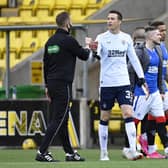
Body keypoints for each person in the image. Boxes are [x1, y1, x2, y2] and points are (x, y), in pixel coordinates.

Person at [35, 11, 95, 162]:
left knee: (63, 119)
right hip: (63, 85)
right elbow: (84, 56)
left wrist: (47, 86)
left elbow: (46, 66)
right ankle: (42, 152)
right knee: (59, 119)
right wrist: (88, 46)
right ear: (68, 24)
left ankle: (69, 153)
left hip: (52, 84)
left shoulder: (50, 42)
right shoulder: (69, 40)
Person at [95, 10, 147, 161]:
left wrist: (141, 77)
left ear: (119, 21)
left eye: (112, 19)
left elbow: (134, 59)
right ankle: (103, 153)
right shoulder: (101, 38)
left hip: (123, 83)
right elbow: (96, 55)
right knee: (105, 116)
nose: (109, 21)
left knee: (128, 113)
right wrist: (93, 50)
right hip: (107, 83)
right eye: (108, 19)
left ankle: (132, 150)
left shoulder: (126, 38)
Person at [128, 26, 168, 158]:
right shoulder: (140, 51)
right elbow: (131, 70)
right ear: (150, 36)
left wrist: (161, 90)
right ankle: (130, 148)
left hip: (155, 92)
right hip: (142, 93)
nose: (160, 36)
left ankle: (156, 150)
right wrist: (133, 89)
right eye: (157, 34)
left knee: (160, 119)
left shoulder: (158, 50)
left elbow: (160, 73)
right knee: (134, 121)